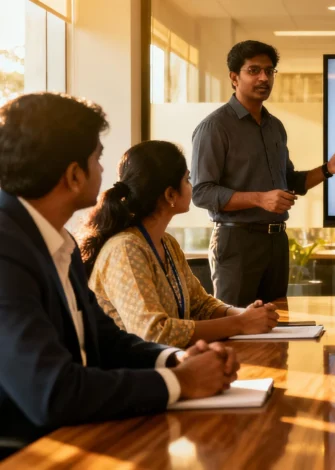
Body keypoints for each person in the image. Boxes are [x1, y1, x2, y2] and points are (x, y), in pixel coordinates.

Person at [0, 93, 239, 452]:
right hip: (31, 452)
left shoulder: (55, 240)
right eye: (97, 158)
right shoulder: (6, 250)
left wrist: (174, 358)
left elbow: (104, 339)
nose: (103, 170)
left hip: (74, 434)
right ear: (74, 175)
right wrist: (179, 382)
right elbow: (52, 392)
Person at [191, 40, 335, 305]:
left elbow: (291, 182)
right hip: (237, 240)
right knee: (237, 325)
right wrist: (259, 199)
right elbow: (202, 192)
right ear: (234, 77)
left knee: (276, 324)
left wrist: (328, 169)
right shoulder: (215, 127)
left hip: (276, 241)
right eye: (253, 70)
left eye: (269, 71)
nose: (264, 77)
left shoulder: (274, 127)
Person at [79, 140, 280, 349]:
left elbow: (200, 304)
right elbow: (154, 333)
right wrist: (240, 324)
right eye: (187, 179)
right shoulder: (125, 249)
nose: (191, 186)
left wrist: (246, 314)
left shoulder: (167, 243)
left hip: (170, 364)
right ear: (170, 194)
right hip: (132, 374)